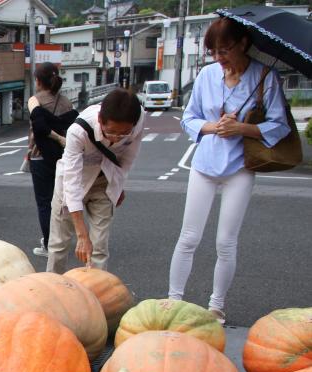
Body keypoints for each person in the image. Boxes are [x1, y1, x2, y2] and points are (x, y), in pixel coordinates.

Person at [168, 17, 290, 324]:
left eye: (225, 50)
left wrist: (242, 128)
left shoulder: (265, 76)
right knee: (188, 236)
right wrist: (212, 127)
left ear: (243, 44)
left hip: (240, 167)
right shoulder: (207, 75)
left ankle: (216, 306)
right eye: (214, 51)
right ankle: (172, 300)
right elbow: (189, 118)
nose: (219, 58)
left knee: (226, 241)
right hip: (205, 163)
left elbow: (279, 125)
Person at [46, 88, 144, 274]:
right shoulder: (78, 131)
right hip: (72, 182)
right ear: (100, 120)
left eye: (123, 134)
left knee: (99, 246)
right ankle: (52, 287)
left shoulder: (138, 120)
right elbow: (72, 183)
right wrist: (82, 235)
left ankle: (97, 293)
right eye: (111, 132)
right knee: (59, 244)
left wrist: (118, 185)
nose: (116, 139)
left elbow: (127, 159)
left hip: (104, 180)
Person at [27, 62, 77, 257]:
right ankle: (62, 239)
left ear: (38, 81)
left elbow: (36, 131)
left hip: (40, 157)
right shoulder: (66, 103)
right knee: (62, 200)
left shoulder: (35, 101)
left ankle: (49, 244)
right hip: (63, 156)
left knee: (44, 202)